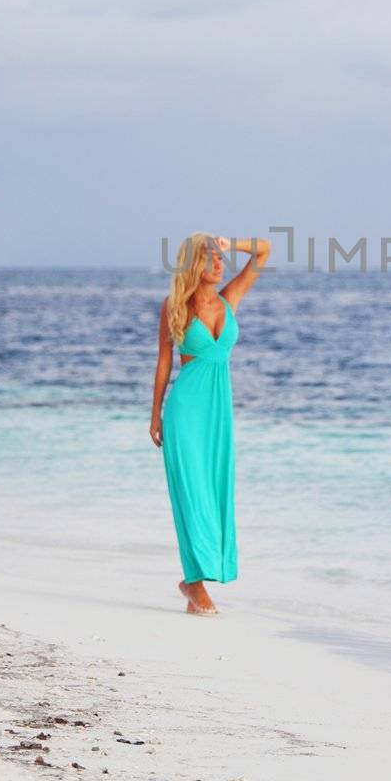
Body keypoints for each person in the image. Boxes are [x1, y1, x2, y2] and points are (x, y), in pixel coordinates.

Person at [150, 232, 270, 615]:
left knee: (215, 490)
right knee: (191, 494)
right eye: (211, 259)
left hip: (219, 413)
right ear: (193, 264)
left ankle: (193, 584)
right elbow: (164, 363)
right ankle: (195, 583)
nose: (219, 265)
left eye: (221, 259)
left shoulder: (229, 299)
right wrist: (154, 415)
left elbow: (265, 251)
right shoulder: (175, 306)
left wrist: (229, 243)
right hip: (185, 411)